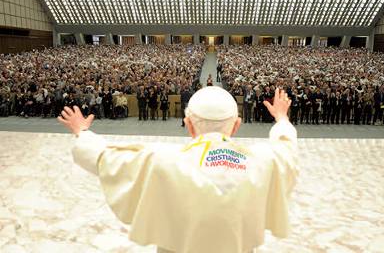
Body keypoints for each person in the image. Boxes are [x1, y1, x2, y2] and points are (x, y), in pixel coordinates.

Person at [58, 87, 297, 253]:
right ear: (236, 125)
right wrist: (282, 118)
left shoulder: (160, 159)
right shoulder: (264, 161)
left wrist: (82, 131)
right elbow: (287, 150)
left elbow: (102, 157)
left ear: (189, 124)